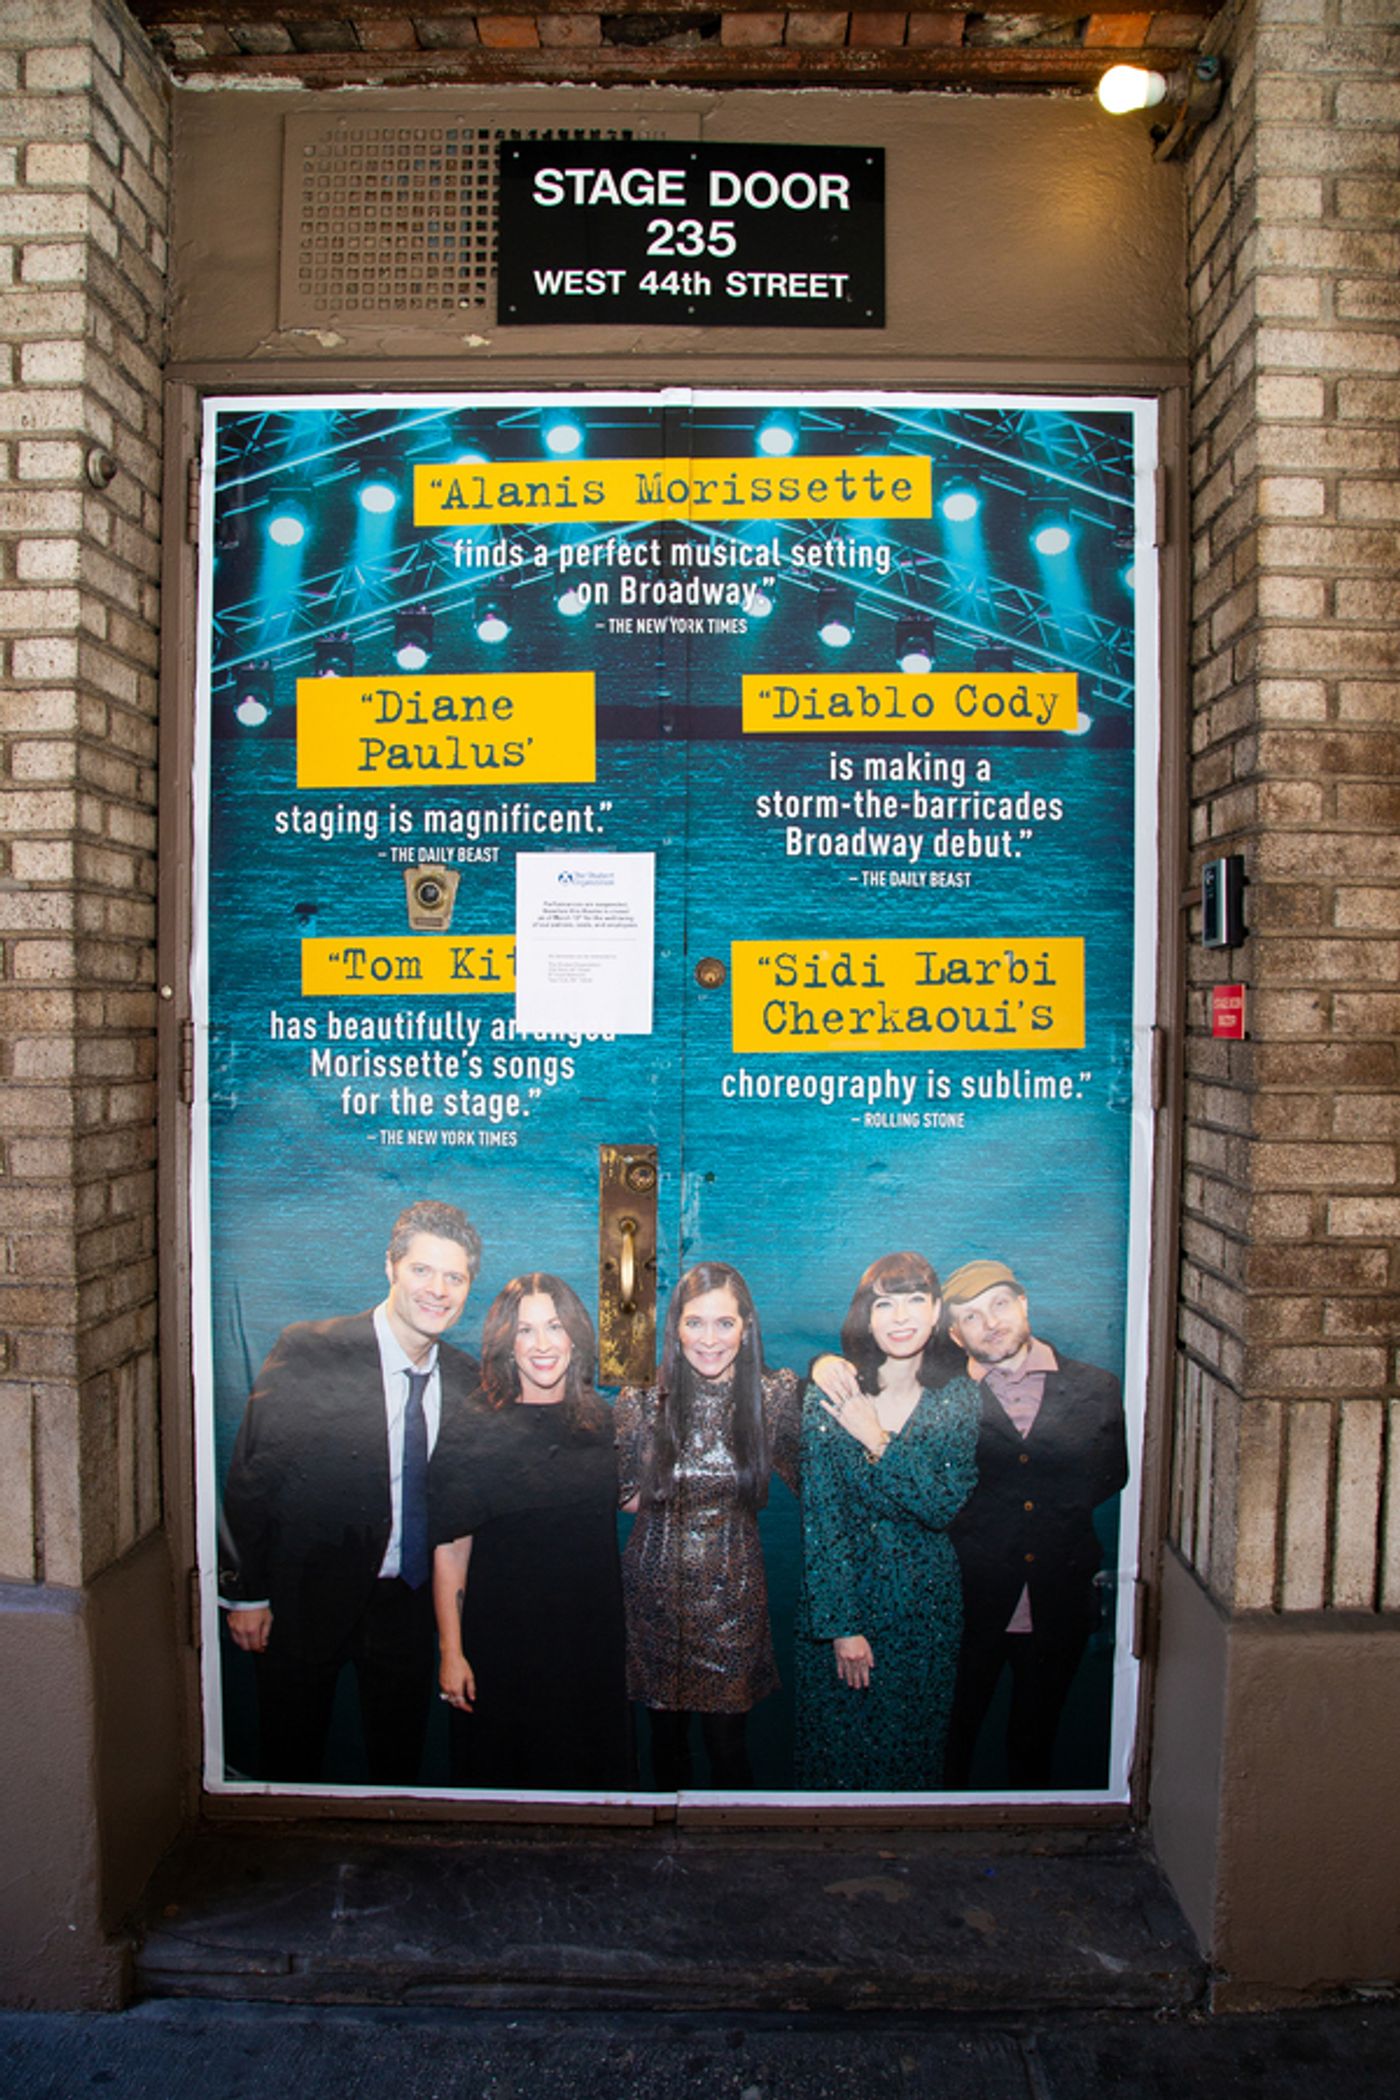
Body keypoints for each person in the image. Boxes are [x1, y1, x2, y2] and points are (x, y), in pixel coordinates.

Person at [218, 1198, 482, 1786]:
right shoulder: (312, 1349)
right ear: (390, 1267)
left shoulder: (467, 1380)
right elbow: (251, 1473)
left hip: (408, 1609)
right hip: (303, 1600)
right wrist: (246, 1594)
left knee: (399, 1767)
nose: (437, 1290)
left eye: (454, 1276)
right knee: (291, 1758)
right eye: (422, 1270)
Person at [430, 1273, 631, 1792]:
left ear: (576, 1338)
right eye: (525, 1331)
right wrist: (451, 1652)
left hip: (590, 1652)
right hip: (501, 1654)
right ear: (506, 1344)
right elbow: (451, 1549)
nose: (542, 1345)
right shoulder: (472, 1426)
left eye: (555, 1327)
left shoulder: (606, 1424)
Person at [939, 1259, 1128, 1790]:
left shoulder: (1095, 1386)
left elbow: (1110, 1475)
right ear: (956, 1335)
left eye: (1000, 1303)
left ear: (1023, 1304)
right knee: (952, 1742)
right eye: (971, 1316)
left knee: (1035, 1744)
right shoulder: (938, 1397)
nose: (991, 1321)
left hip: (1057, 1603)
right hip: (963, 1608)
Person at [796, 1253, 980, 1791]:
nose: (900, 1317)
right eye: (885, 1304)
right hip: (842, 1609)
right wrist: (841, 1625)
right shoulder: (830, 1395)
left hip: (926, 1611)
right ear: (866, 1317)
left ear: (936, 1310)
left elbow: (941, 1504)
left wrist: (875, 1438)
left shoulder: (959, 1399)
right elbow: (822, 1519)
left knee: (914, 1758)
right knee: (835, 1760)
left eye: (914, 1301)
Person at [616, 1261, 800, 1791]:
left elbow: (819, 1484)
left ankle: (729, 1858)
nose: (709, 1339)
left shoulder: (775, 1397)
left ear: (747, 1329)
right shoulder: (643, 1400)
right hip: (654, 1604)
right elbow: (622, 1493)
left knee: (728, 1750)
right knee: (665, 1747)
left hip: (732, 1604)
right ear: (674, 1327)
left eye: (724, 1323)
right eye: (694, 1322)